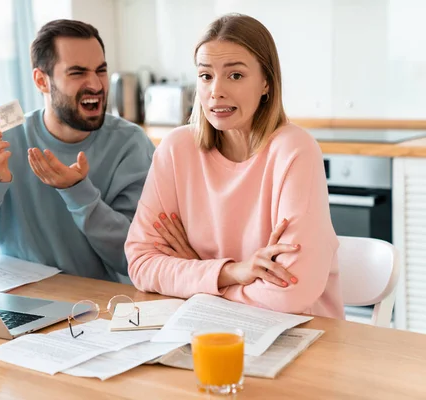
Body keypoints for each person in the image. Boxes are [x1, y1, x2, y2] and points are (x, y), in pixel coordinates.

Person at [125, 14, 344, 318]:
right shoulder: (176, 150)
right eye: (205, 76)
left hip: (299, 333)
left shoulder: (295, 151)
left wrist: (199, 275)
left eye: (235, 75)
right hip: (207, 328)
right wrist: (231, 272)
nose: (216, 91)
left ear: (266, 83)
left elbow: (293, 292)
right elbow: (141, 264)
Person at [0, 19, 155, 282]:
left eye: (101, 70)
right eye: (77, 73)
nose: (95, 84)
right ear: (41, 81)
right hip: (17, 306)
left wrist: (79, 193)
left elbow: (141, 258)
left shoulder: (131, 145)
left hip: (98, 308)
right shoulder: (5, 140)